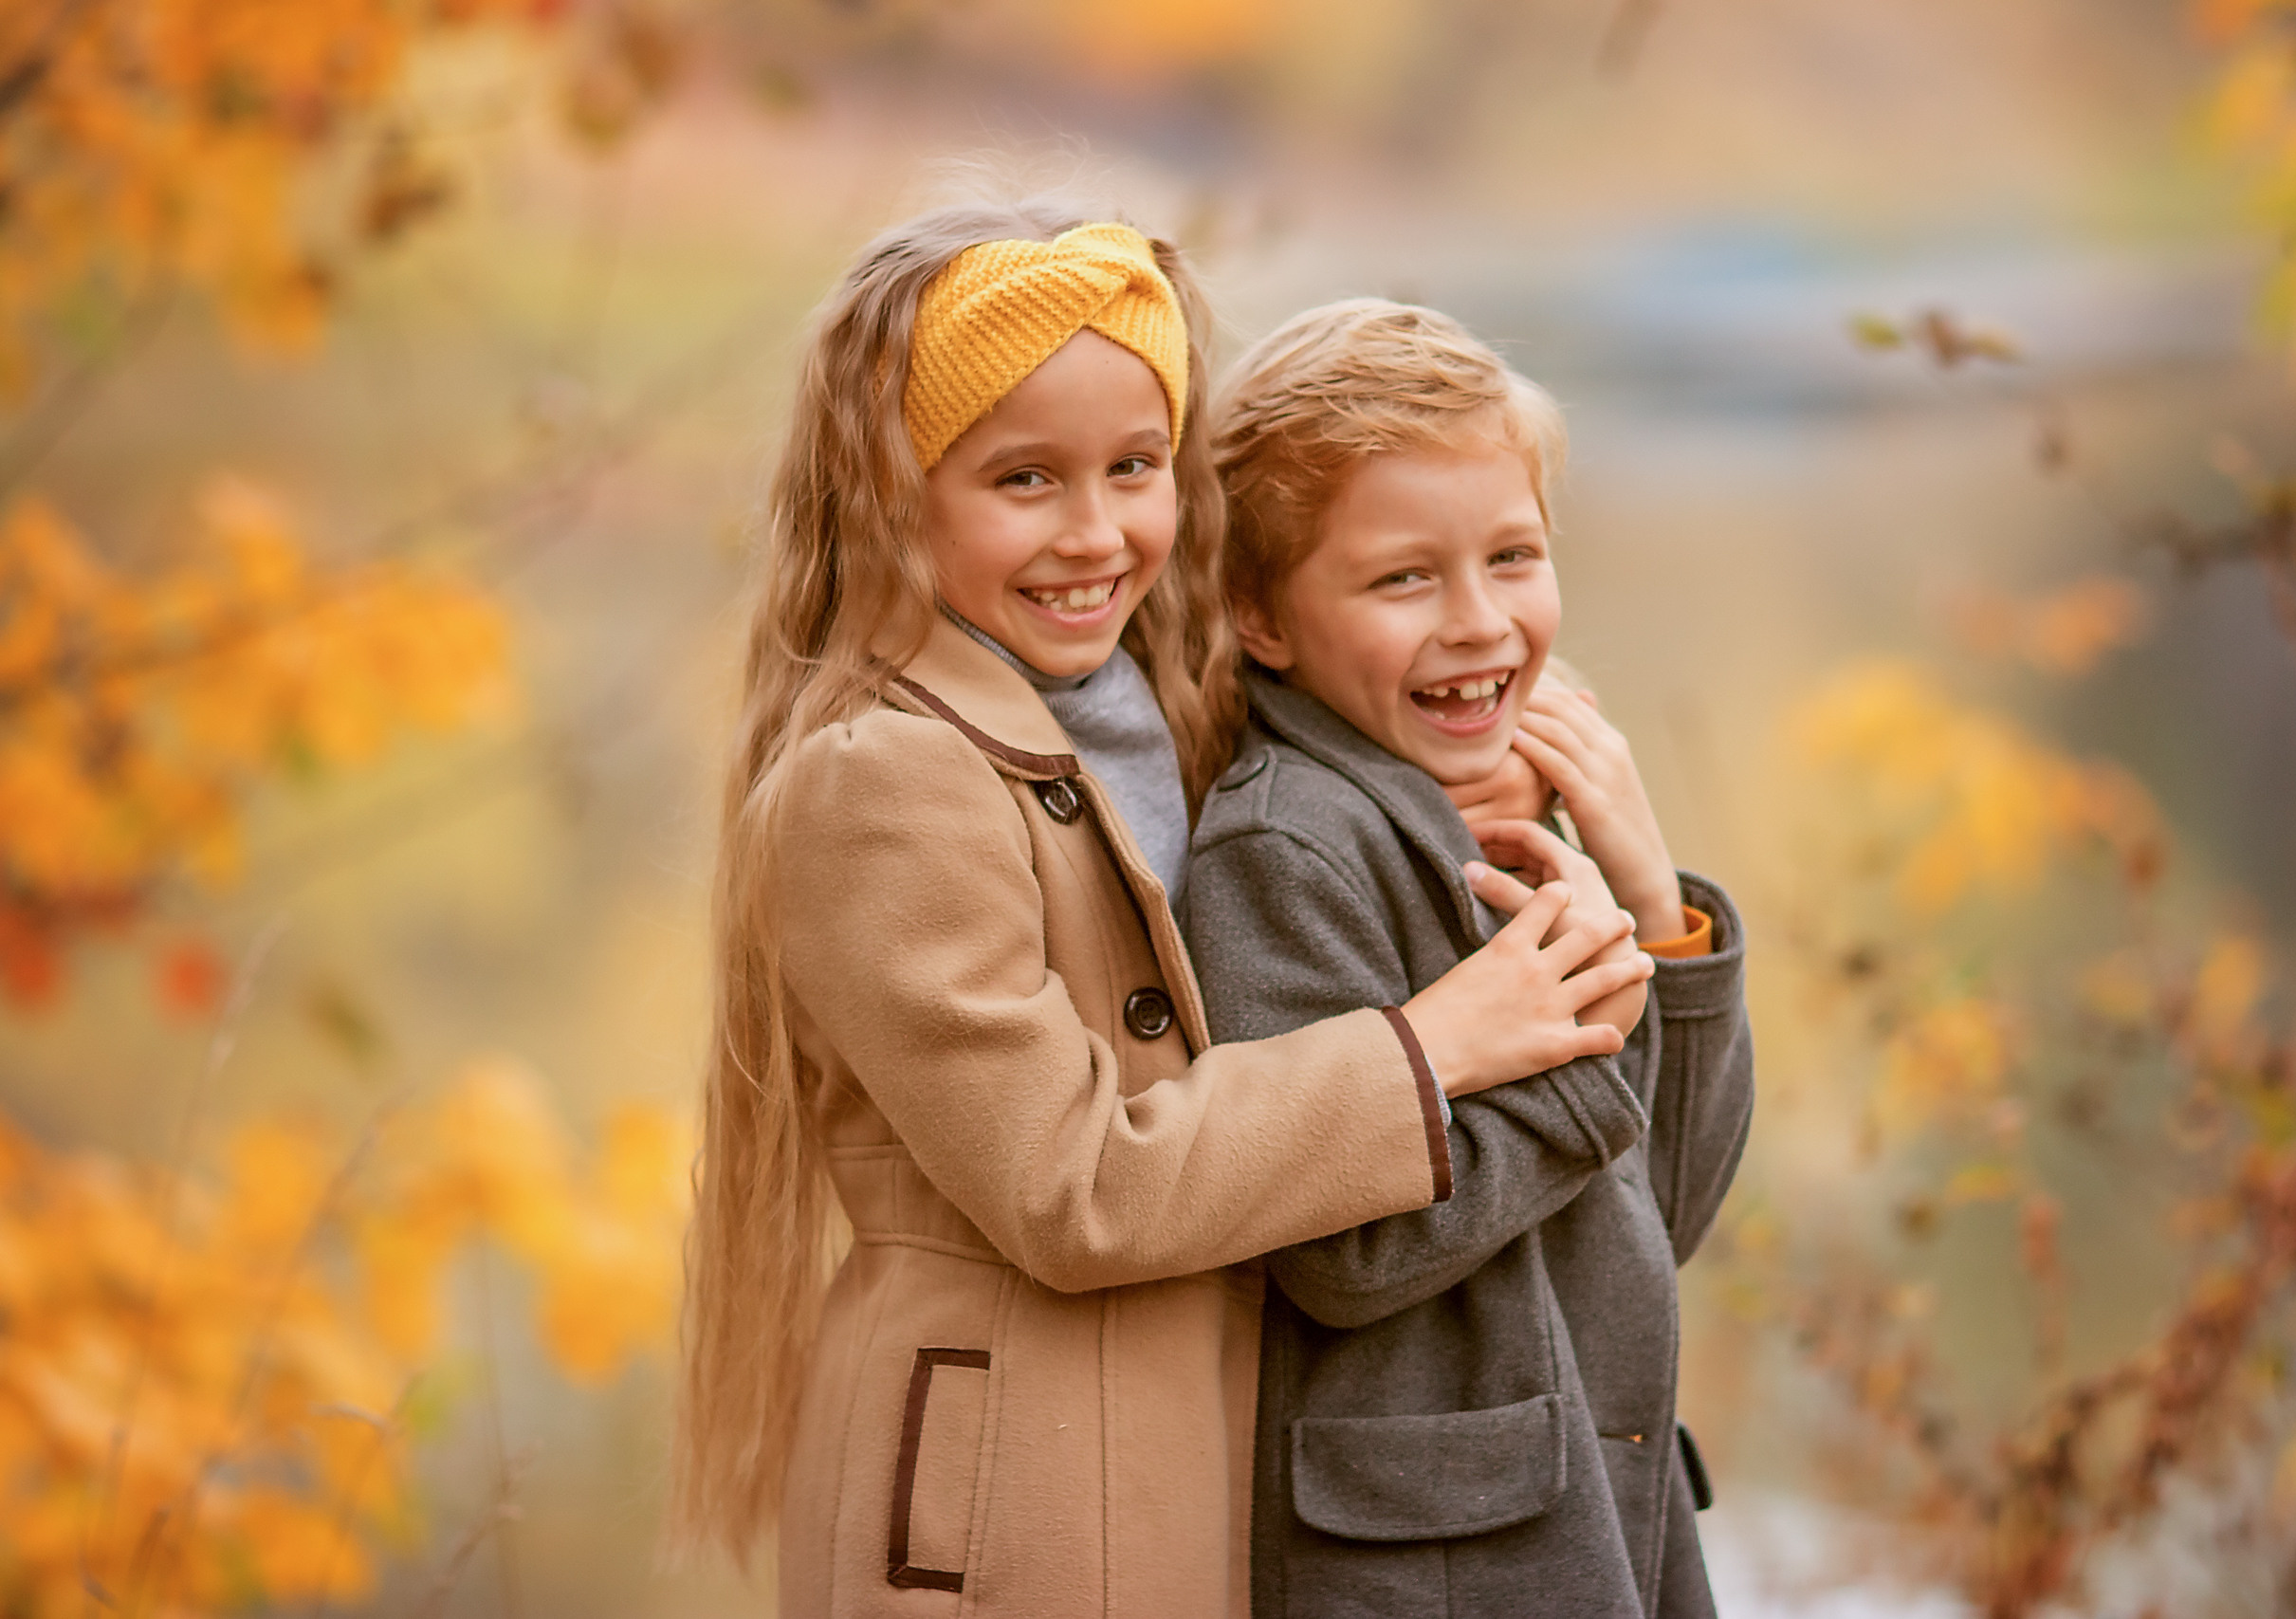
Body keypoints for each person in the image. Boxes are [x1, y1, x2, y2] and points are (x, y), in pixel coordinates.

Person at [670, 204, 1648, 1618]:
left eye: (1135, 468)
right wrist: (1432, 1046)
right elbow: (1074, 1184)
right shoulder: (879, 776)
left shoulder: (1147, 716)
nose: (1097, 532)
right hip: (1007, 1515)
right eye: (1024, 479)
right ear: (894, 495)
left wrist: (1586, 840)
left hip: (1172, 1466)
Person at [1184, 298, 1757, 1618]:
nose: (1480, 622)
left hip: (1597, 1532)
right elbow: (1340, 1255)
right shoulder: (1285, 850)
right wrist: (1574, 1053)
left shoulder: (1498, 817)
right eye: (1403, 578)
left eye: (1513, 557)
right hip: (1433, 1569)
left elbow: (1658, 1211)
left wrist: (1652, 901)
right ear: (1262, 617)